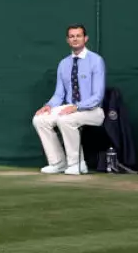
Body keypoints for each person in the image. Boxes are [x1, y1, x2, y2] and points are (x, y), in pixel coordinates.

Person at [32, 24, 106, 175]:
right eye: (72, 36)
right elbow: (59, 94)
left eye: (78, 36)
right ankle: (58, 163)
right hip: (70, 108)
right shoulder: (63, 64)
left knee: (65, 120)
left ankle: (77, 164)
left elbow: (98, 96)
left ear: (85, 39)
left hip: (93, 110)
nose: (75, 39)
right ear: (68, 40)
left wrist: (77, 107)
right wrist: (48, 106)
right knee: (40, 119)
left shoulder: (96, 61)